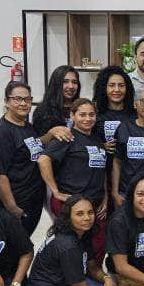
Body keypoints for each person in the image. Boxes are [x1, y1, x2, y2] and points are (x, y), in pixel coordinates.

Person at [38, 98, 109, 259]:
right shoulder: (68, 137)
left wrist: (105, 198)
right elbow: (43, 160)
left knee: (98, 244)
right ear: (73, 116)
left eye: (91, 114)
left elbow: (102, 170)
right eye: (82, 114)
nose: (87, 118)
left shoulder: (97, 140)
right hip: (70, 202)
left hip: (96, 204)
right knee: (72, 246)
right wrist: (55, 191)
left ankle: (94, 277)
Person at [0, 81, 48, 237]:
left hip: (32, 202)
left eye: (27, 99)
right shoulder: (1, 132)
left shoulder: (28, 127)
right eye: (17, 99)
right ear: (6, 102)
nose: (23, 103)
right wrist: (12, 207)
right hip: (16, 205)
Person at [31, 65, 79, 140]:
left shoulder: (81, 107)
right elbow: (37, 143)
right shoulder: (43, 110)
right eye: (65, 82)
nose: (71, 86)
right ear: (56, 83)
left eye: (74, 82)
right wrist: (49, 135)